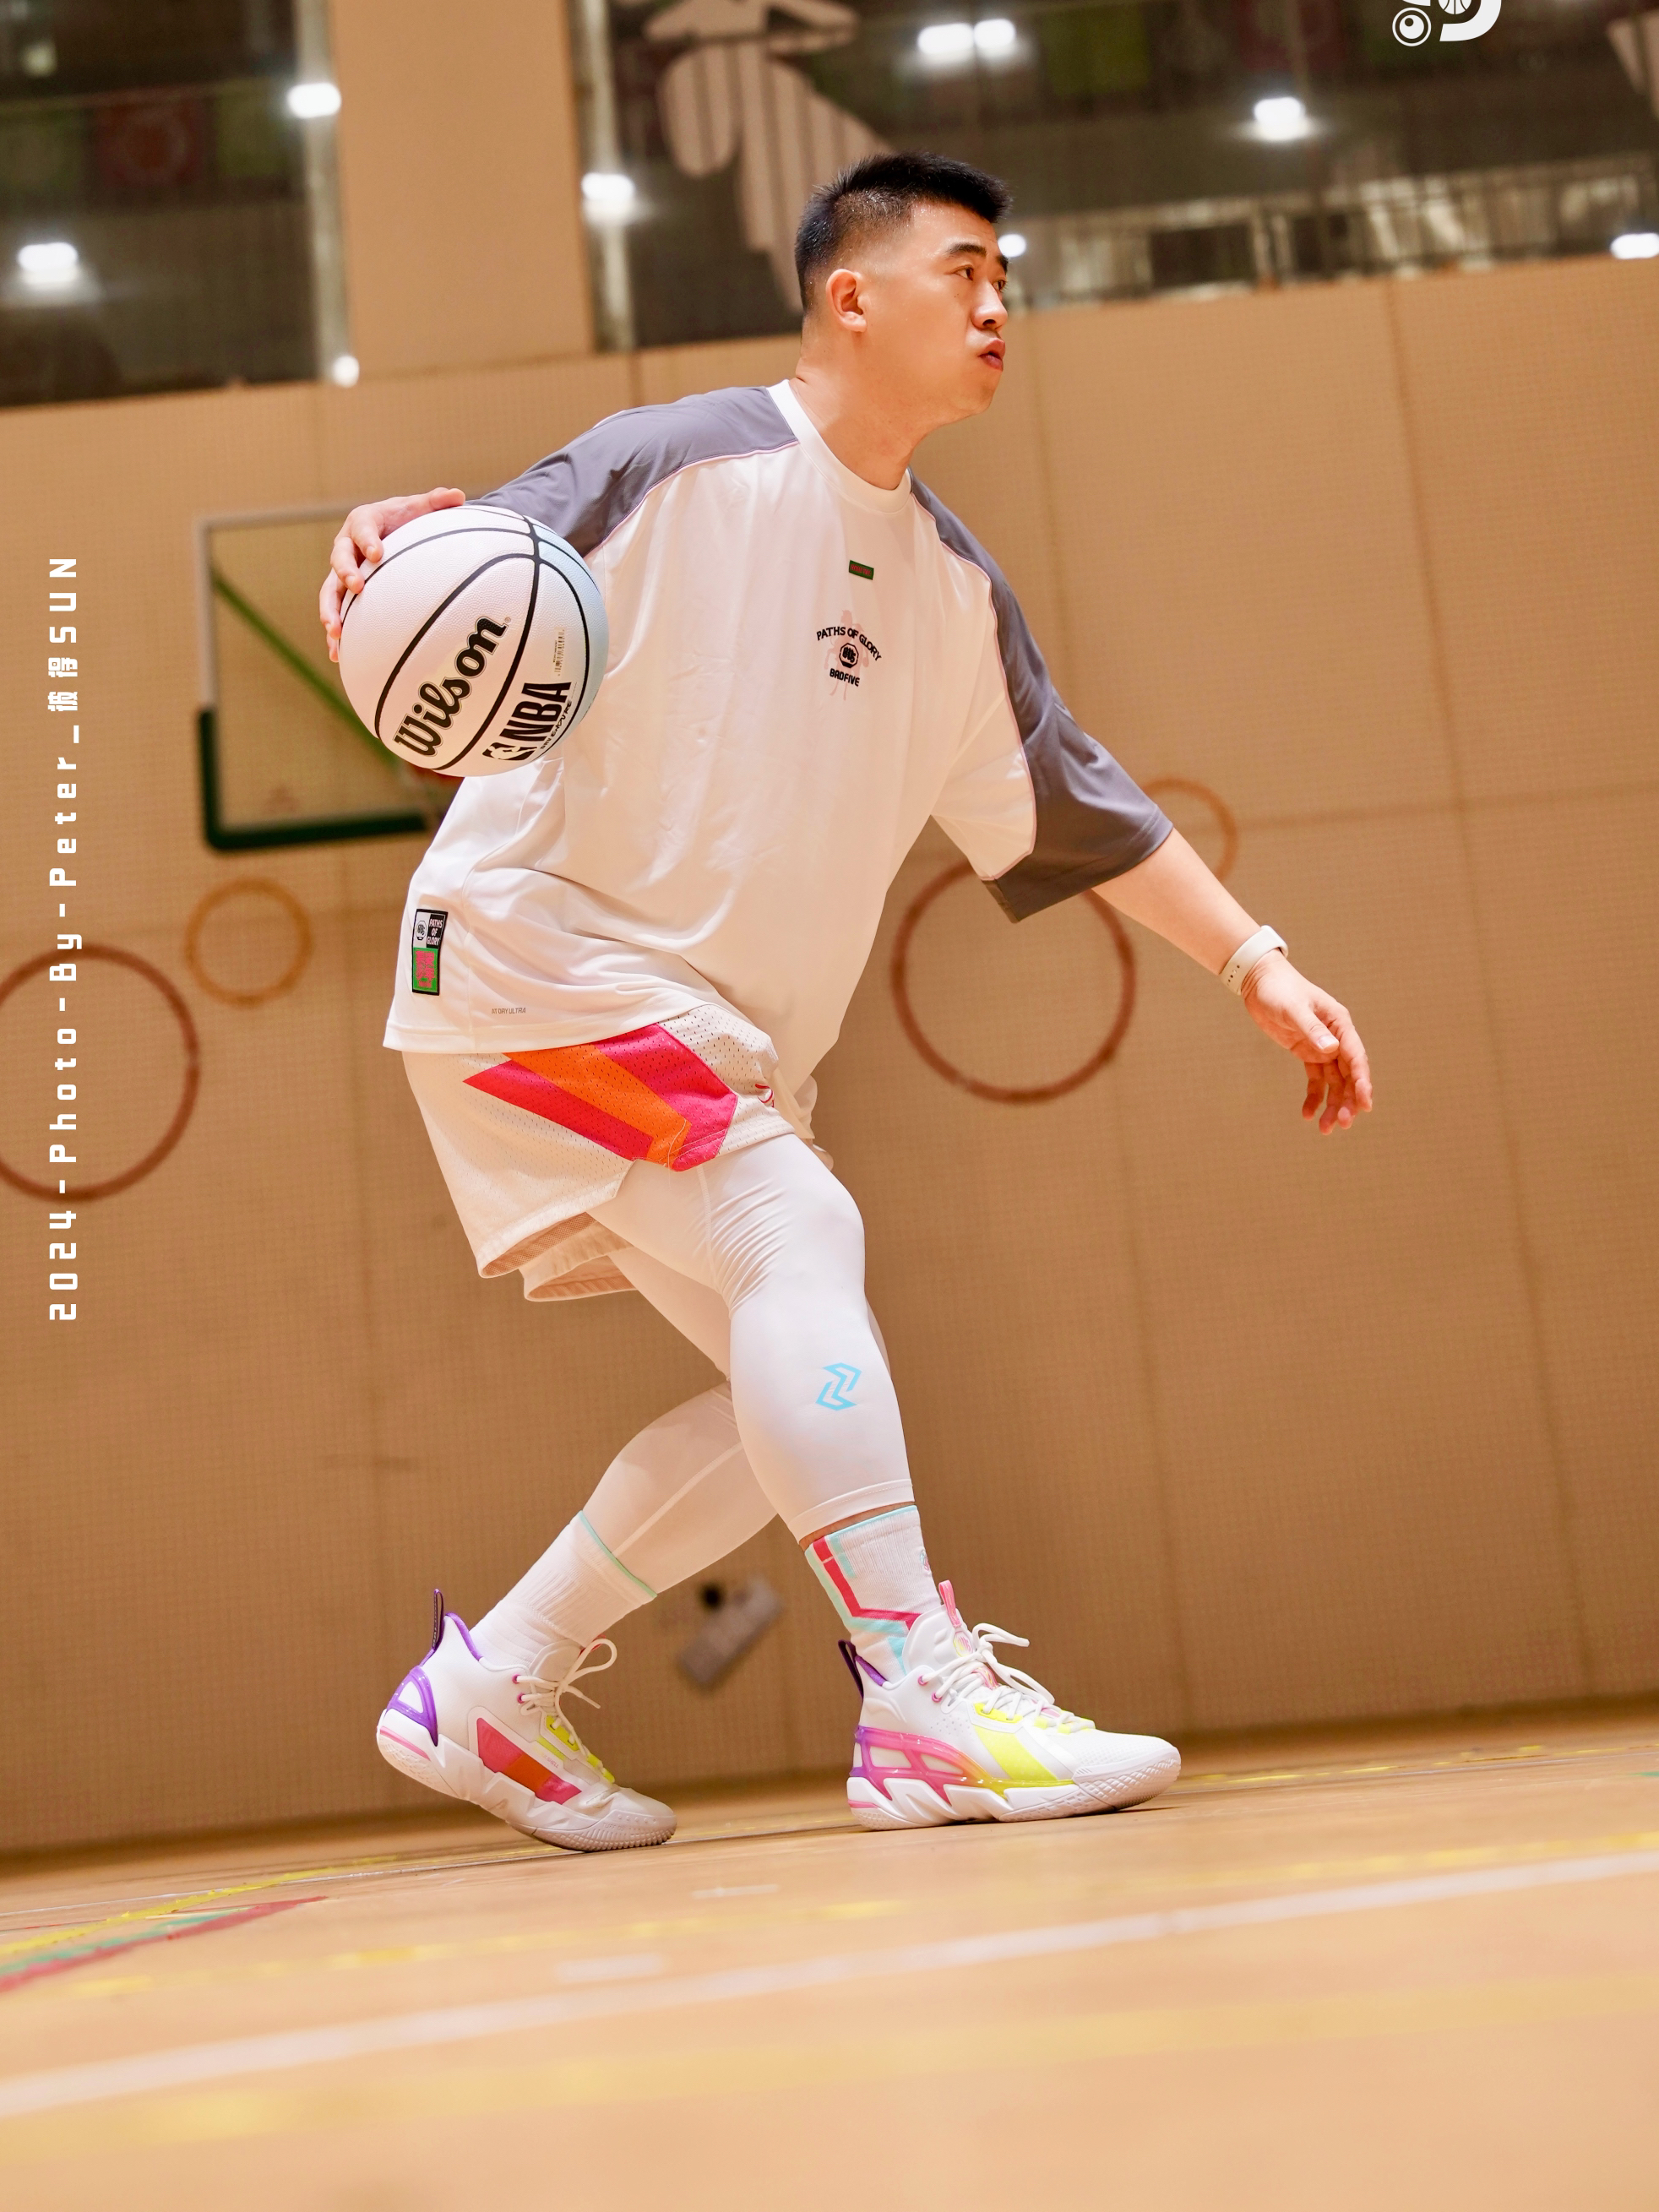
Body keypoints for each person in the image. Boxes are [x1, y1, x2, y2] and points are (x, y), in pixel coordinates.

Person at [319, 151, 1372, 1852]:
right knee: (796, 1236)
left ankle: (498, 1681)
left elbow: (1081, 800)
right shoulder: (680, 460)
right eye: (964, 270)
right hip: (533, 962)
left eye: (1005, 277)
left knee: (790, 1395)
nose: (996, 302)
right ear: (850, 296)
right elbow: (457, 562)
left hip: (684, 1031)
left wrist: (1255, 961)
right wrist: (382, 542)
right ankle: (917, 1698)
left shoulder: (949, 594)